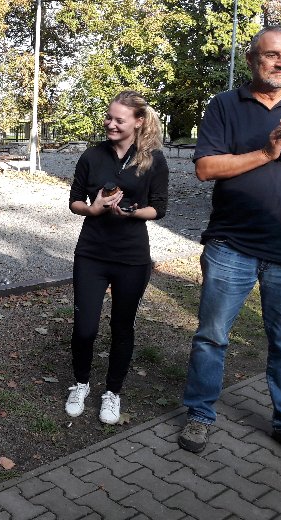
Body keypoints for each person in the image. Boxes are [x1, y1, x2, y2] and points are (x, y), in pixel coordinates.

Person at [178, 26, 281, 468]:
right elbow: (207, 168)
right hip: (231, 246)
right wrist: (265, 152)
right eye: (271, 55)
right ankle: (200, 414)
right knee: (212, 336)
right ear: (251, 60)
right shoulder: (224, 105)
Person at [66, 90, 169, 424]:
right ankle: (81, 383)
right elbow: (75, 202)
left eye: (118, 120)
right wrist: (94, 208)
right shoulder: (92, 156)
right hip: (92, 254)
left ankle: (112, 392)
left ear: (138, 122)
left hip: (132, 257)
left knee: (122, 327)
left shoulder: (153, 159)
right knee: (85, 327)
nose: (110, 124)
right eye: (108, 117)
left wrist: (133, 212)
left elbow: (159, 208)